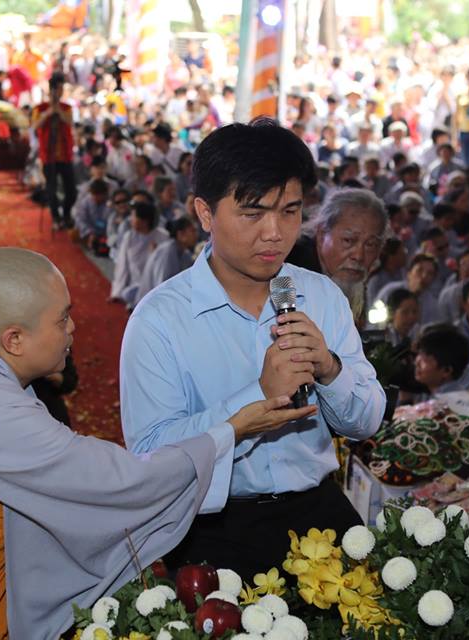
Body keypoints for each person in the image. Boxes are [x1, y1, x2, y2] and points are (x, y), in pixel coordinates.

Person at [0, 248, 309, 639]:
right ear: (14, 340)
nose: (73, 329)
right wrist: (231, 431)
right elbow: (117, 483)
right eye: (62, 319)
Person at [120, 119, 386, 580]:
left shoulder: (320, 296)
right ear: (205, 213)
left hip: (320, 510)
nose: (275, 233)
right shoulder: (159, 320)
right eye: (252, 213)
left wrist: (329, 368)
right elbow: (150, 457)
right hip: (217, 526)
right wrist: (257, 399)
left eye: (290, 211)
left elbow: (365, 422)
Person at [286, 188, 386, 325]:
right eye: (348, 240)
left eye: (370, 244)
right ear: (322, 235)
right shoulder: (291, 269)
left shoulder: (350, 279)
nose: (359, 256)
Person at [33, 76, 76, 229]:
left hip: (65, 155)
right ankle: (56, 218)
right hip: (48, 156)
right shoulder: (40, 108)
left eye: (61, 89)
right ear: (52, 90)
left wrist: (59, 111)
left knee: (71, 190)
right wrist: (48, 113)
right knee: (51, 189)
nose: (60, 92)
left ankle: (66, 214)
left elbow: (70, 122)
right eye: (58, 89)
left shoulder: (66, 107)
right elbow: (35, 126)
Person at [109, 201, 168, 307]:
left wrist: (155, 253)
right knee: (127, 294)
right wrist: (116, 292)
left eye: (133, 216)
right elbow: (122, 266)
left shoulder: (163, 236)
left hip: (156, 284)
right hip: (135, 285)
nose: (130, 220)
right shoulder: (129, 237)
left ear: (144, 221)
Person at [133, 217, 199, 304]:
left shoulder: (185, 254)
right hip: (151, 304)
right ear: (181, 234)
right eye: (192, 231)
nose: (196, 235)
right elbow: (161, 286)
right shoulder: (167, 252)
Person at [413, 326, 469, 397]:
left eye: (425, 359)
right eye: (419, 353)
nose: (416, 362)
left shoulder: (449, 401)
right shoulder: (427, 392)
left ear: (446, 371)